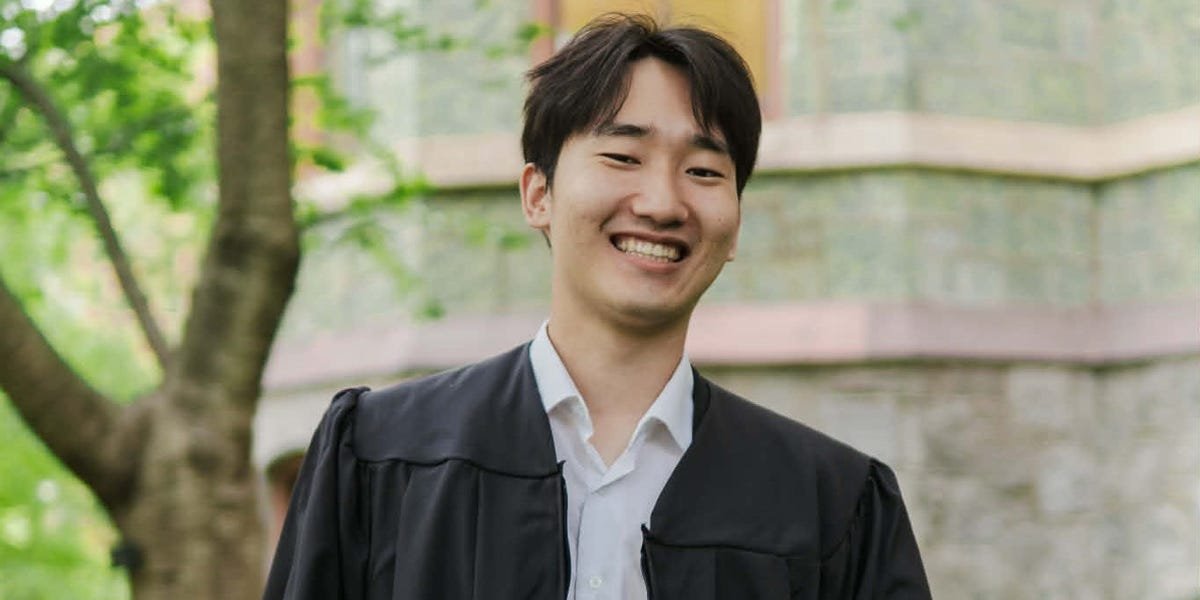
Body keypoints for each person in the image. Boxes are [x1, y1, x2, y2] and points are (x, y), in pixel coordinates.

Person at [264, 13, 931, 600]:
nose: (662, 203)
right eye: (622, 156)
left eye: (703, 172)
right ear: (538, 195)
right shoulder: (382, 456)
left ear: (735, 225)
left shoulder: (833, 507)